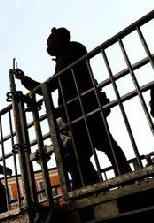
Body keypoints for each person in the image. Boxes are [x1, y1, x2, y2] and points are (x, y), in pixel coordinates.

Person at [14, 27, 131, 189]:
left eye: (50, 44)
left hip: (85, 109)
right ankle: (100, 185)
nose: (48, 48)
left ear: (58, 42)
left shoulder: (71, 52)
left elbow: (51, 86)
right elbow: (51, 86)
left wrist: (25, 80)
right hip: (78, 112)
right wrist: (24, 79)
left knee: (102, 146)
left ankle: (124, 179)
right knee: (89, 152)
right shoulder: (67, 56)